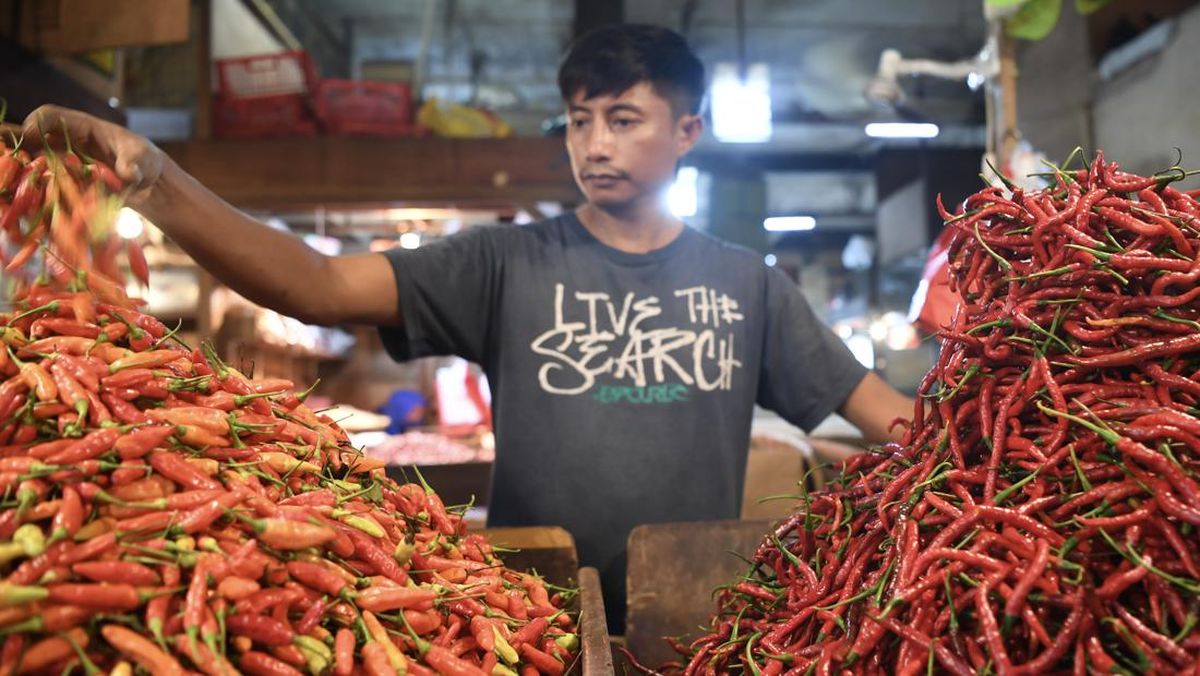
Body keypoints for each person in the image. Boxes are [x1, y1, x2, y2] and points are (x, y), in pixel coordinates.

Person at [25, 24, 914, 632]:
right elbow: (319, 284)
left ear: (687, 131)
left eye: (623, 119)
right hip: (529, 612)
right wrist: (160, 184)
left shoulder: (744, 286)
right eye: (578, 121)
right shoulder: (504, 263)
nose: (593, 143)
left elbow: (886, 417)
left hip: (693, 618)